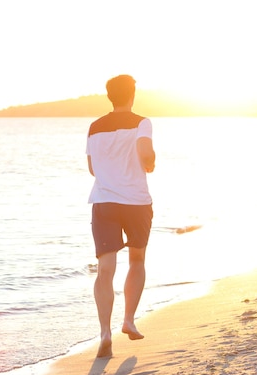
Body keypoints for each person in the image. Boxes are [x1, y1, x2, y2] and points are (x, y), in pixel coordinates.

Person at [86, 74, 156, 358]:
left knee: (105, 270)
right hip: (136, 202)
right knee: (136, 259)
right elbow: (145, 153)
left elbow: (91, 168)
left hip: (104, 202)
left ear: (109, 96)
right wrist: (150, 163)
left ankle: (105, 332)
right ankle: (128, 319)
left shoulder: (94, 127)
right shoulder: (142, 122)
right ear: (133, 94)